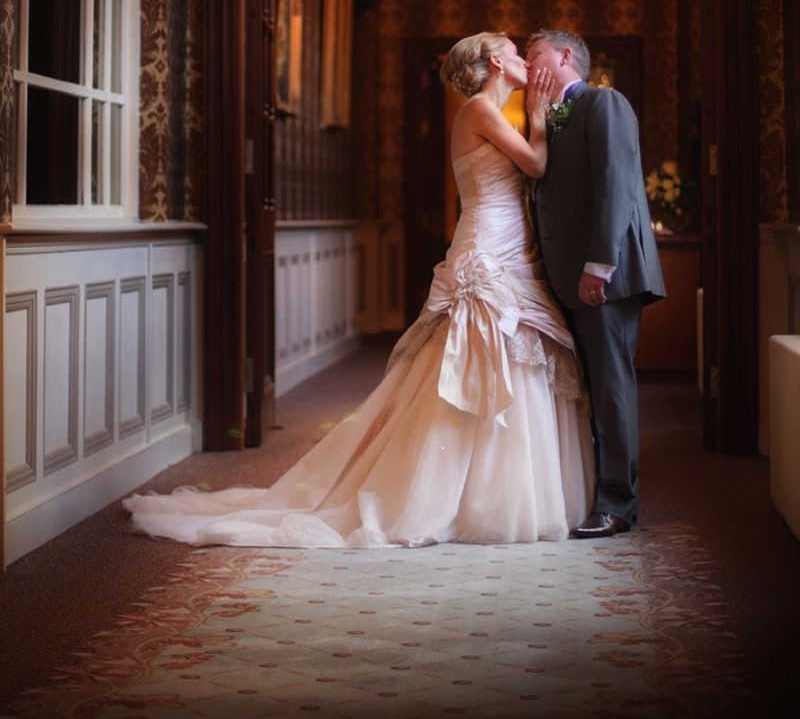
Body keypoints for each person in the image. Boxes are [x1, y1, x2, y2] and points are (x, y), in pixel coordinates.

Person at [125, 31, 593, 548]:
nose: (525, 59)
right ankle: (446, 496)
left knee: (514, 356)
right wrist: (543, 111)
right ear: (495, 62)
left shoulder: (494, 114)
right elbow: (536, 164)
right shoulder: (481, 111)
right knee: (475, 356)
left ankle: (500, 494)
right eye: (513, 49)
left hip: (509, 246)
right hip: (487, 250)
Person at [526, 29, 666, 539]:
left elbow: (617, 185)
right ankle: (592, 493)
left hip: (605, 277)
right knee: (585, 390)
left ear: (565, 57)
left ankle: (617, 505)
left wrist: (598, 265)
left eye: (534, 53)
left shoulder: (604, 102)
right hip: (564, 277)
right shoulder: (546, 115)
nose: (527, 63)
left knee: (610, 388)